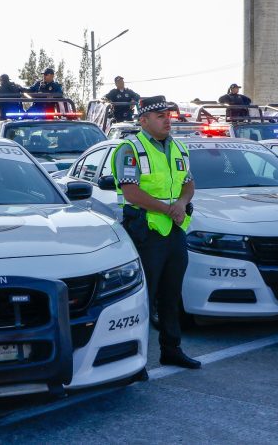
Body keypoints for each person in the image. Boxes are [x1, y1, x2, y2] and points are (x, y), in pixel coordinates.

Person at [111, 95, 199, 369]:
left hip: (173, 230)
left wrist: (182, 204)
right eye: (160, 116)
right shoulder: (129, 149)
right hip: (145, 231)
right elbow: (131, 192)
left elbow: (188, 184)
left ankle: (171, 349)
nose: (167, 120)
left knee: (171, 295)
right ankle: (136, 362)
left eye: (168, 115)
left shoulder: (179, 148)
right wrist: (167, 208)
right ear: (144, 120)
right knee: (143, 300)